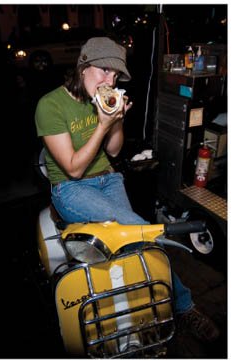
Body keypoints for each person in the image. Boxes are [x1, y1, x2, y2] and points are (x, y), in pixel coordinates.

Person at [35, 37, 219, 343]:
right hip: (71, 188)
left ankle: (152, 307)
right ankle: (184, 306)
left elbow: (115, 152)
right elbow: (74, 168)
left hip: (108, 179)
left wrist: (116, 120)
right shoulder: (50, 104)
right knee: (142, 230)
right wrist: (104, 125)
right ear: (83, 66)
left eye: (116, 75)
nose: (110, 80)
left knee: (137, 245)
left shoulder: (103, 101)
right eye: (104, 70)